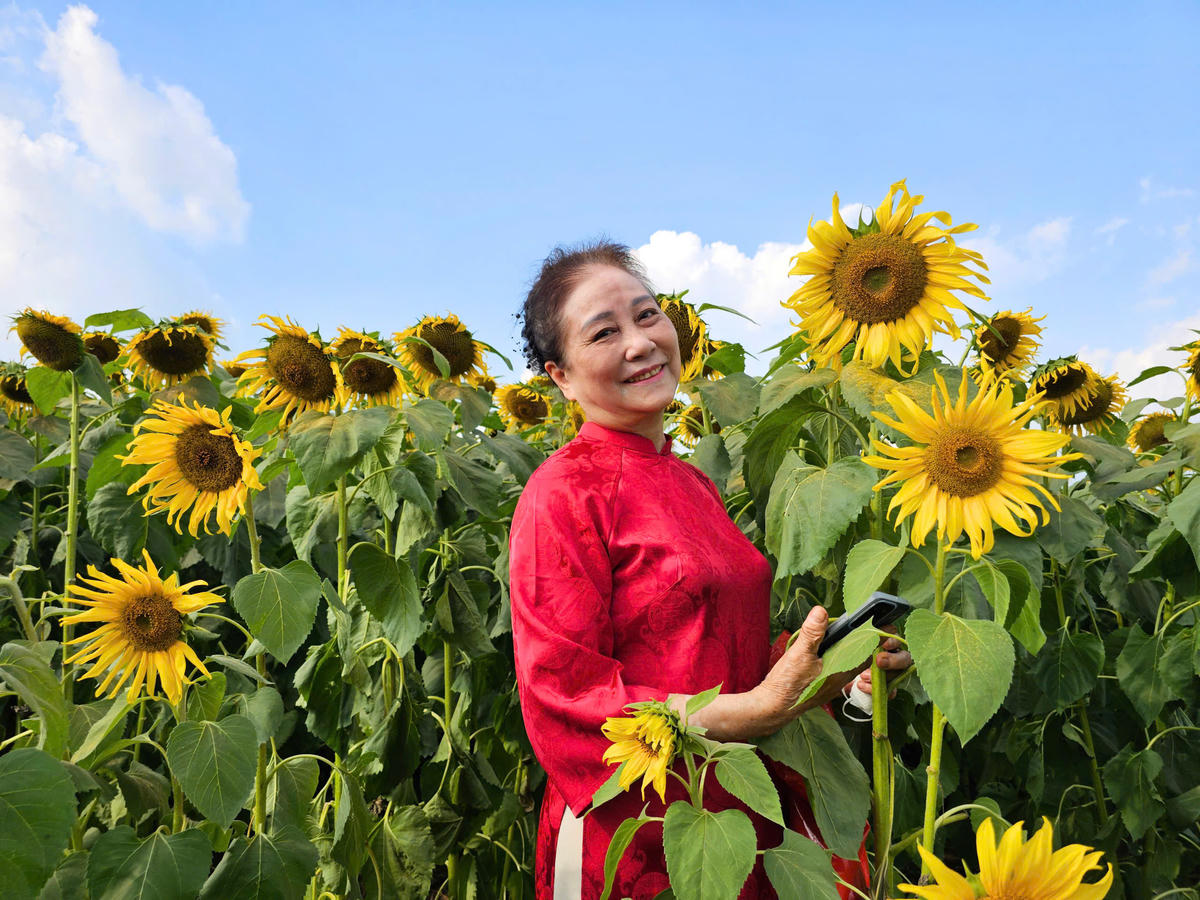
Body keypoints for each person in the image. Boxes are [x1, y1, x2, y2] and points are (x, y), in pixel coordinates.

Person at [508, 241, 910, 899]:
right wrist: (748, 711)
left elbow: (726, 652)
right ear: (562, 376)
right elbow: (564, 694)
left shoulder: (690, 481)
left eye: (647, 316)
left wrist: (839, 668)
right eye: (605, 332)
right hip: (640, 828)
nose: (641, 343)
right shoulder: (563, 492)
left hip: (742, 814)